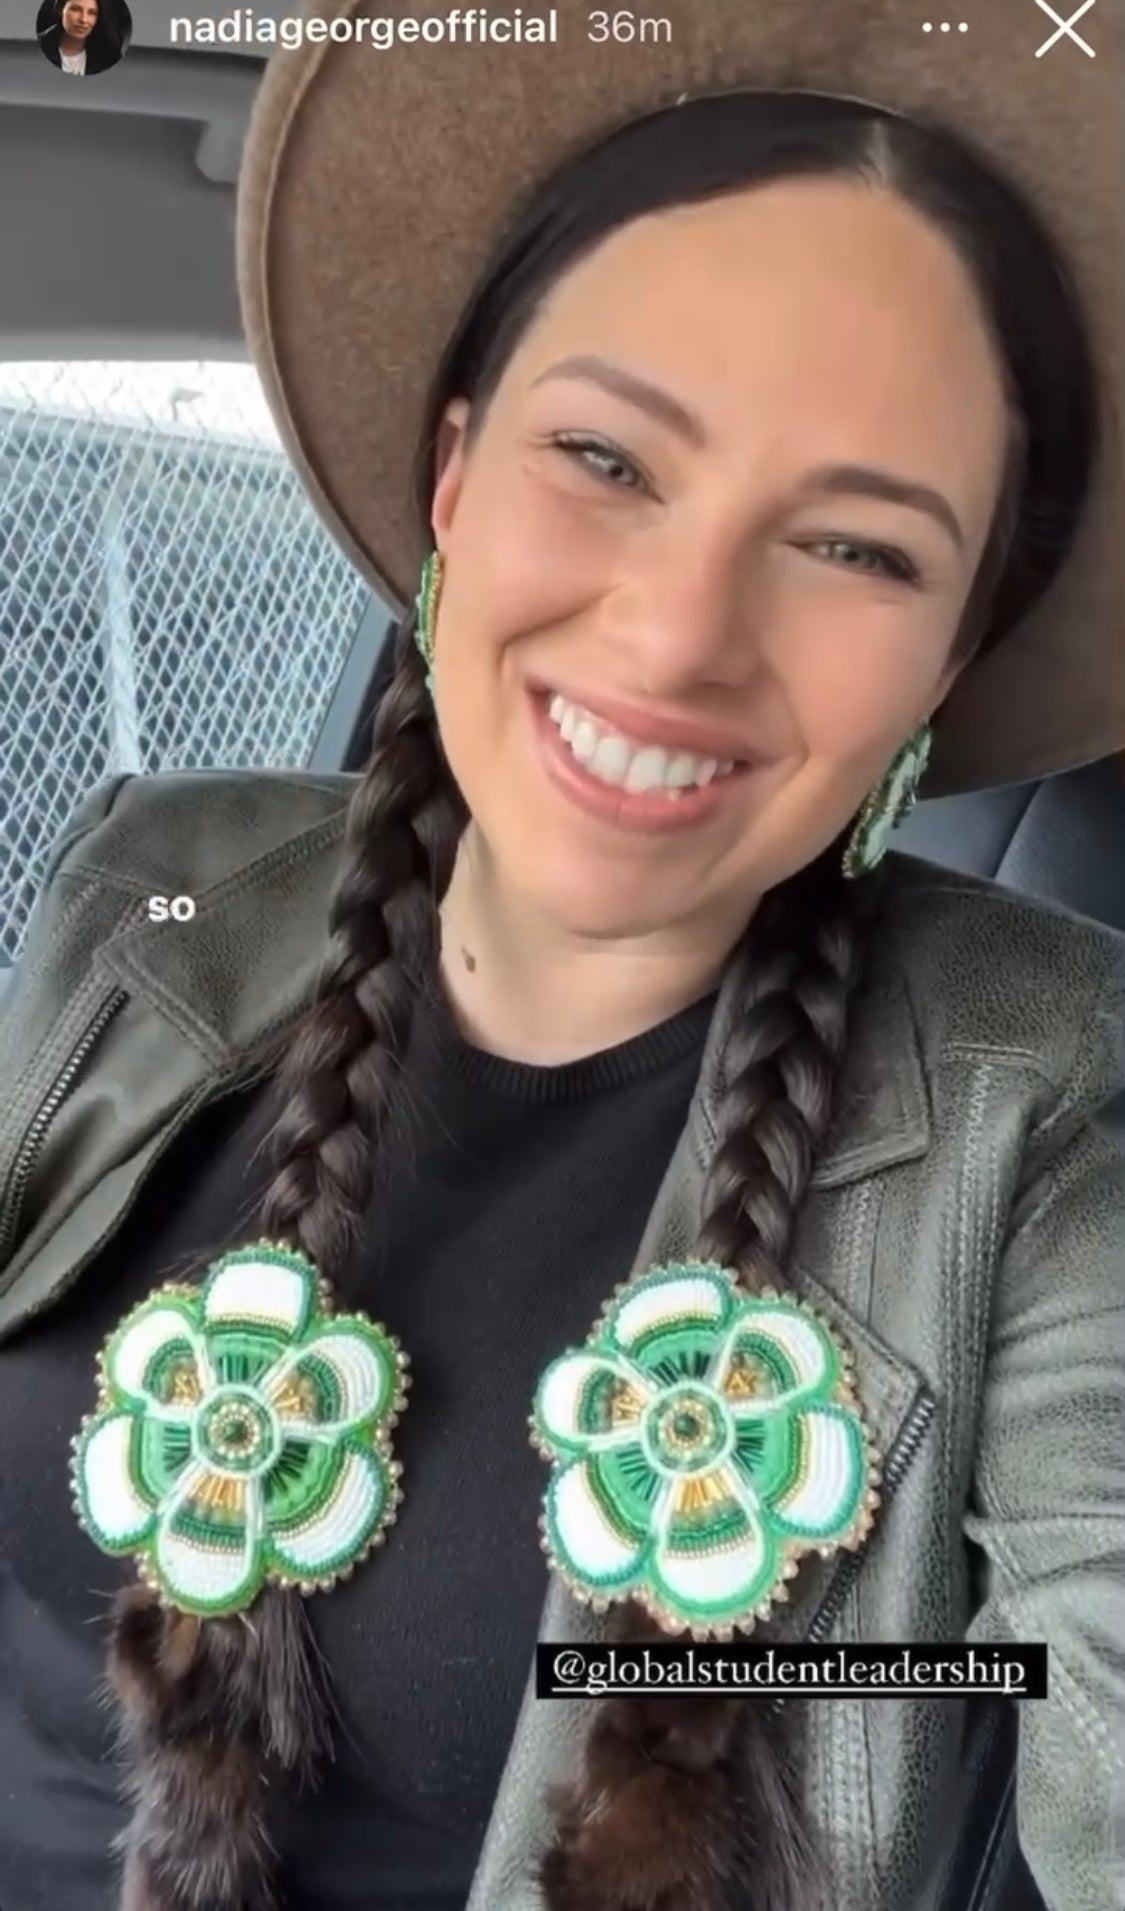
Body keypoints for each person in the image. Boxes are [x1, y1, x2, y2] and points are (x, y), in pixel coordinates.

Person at [0, 1, 1122, 1908]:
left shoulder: (1042, 1108)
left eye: (859, 550)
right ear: (456, 478)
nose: (680, 634)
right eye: (605, 454)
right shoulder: (167, 888)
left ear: (951, 656)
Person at [36, 0, 126, 75]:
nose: (83, 19)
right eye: (75, 9)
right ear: (60, 10)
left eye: (92, 13)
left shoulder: (108, 56)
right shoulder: (36, 48)